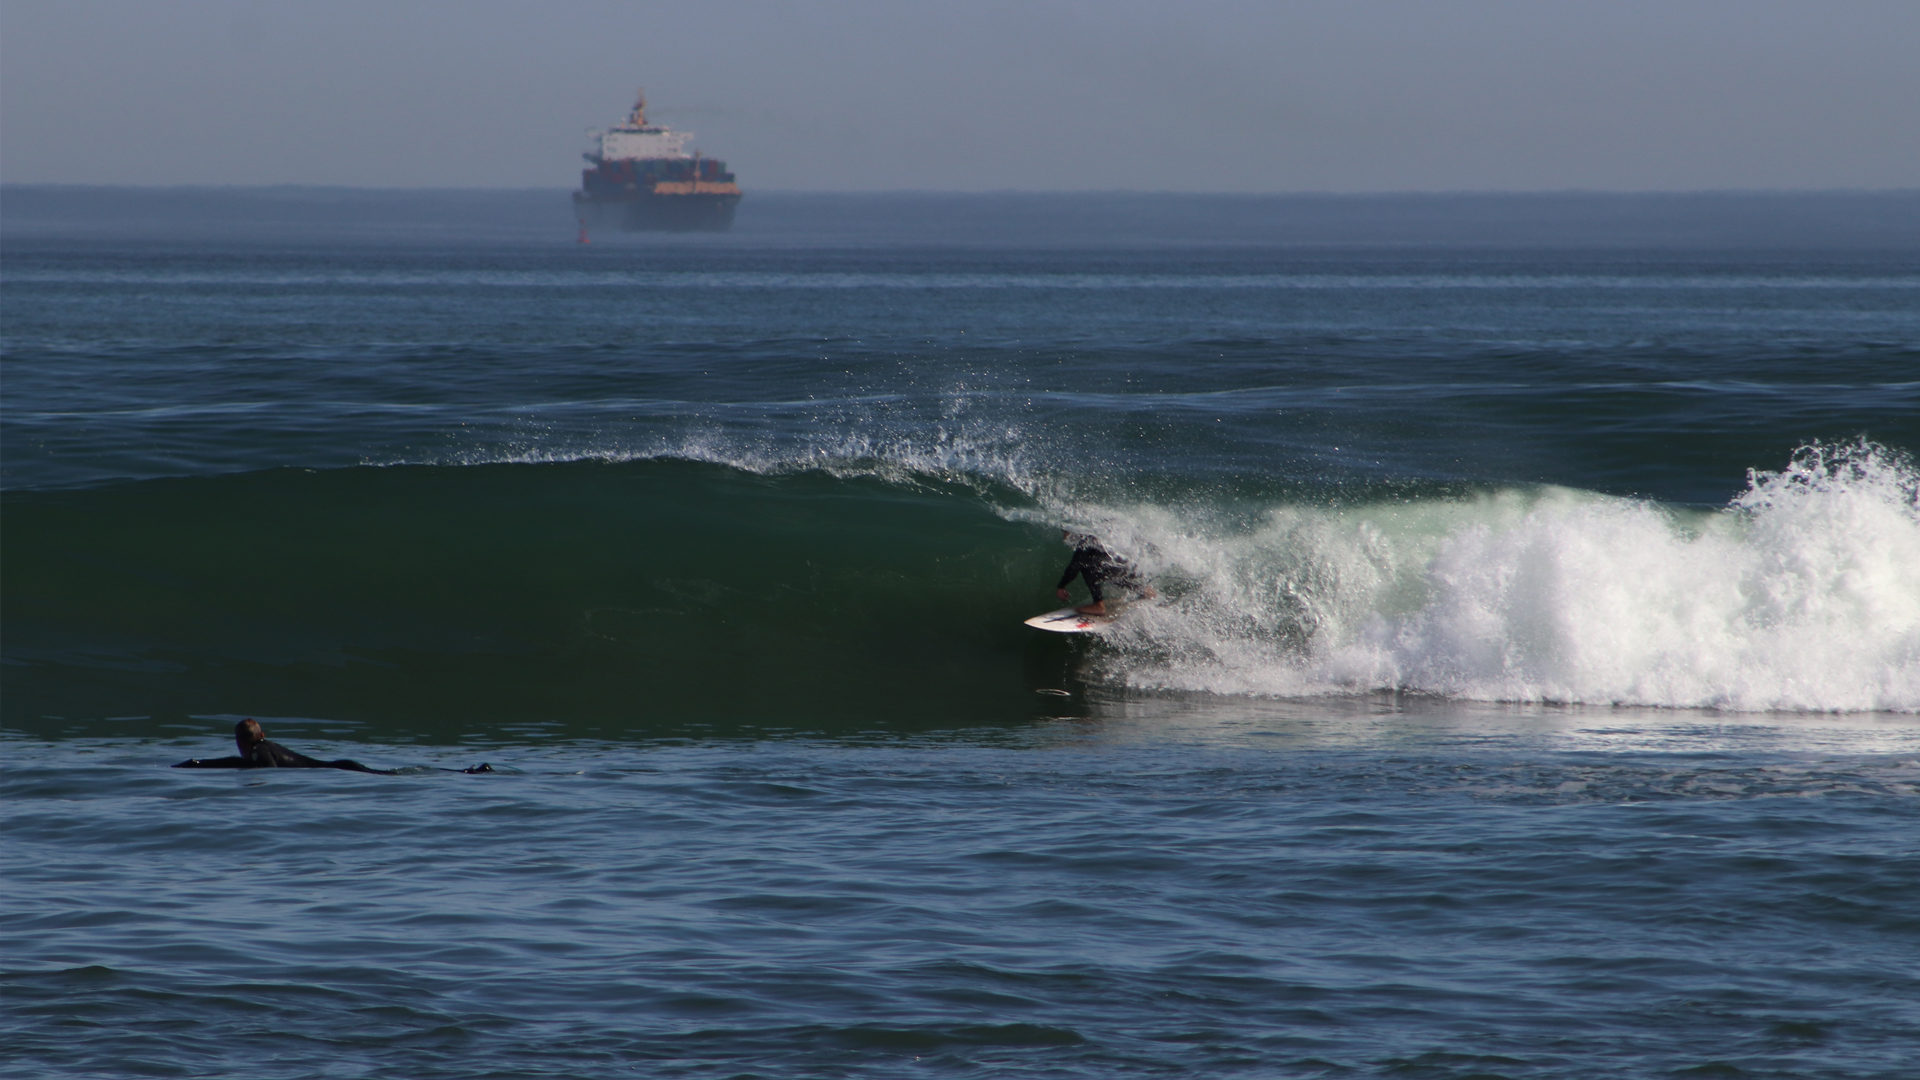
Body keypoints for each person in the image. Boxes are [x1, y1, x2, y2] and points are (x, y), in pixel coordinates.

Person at [174, 719, 493, 774]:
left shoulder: (260, 753)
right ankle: (467, 771)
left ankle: (467, 772)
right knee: (394, 773)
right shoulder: (267, 745)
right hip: (342, 766)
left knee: (394, 774)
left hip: (342, 769)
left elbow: (266, 772)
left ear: (241, 742)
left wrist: (204, 765)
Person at [1054, 531, 1154, 616]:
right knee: (1109, 573)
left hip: (1114, 566)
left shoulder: (1083, 542)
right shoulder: (1095, 535)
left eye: (1065, 533)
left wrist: (1061, 586)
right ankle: (1144, 590)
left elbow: (1074, 567)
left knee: (1086, 566)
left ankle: (1098, 605)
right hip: (1127, 565)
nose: (1064, 537)